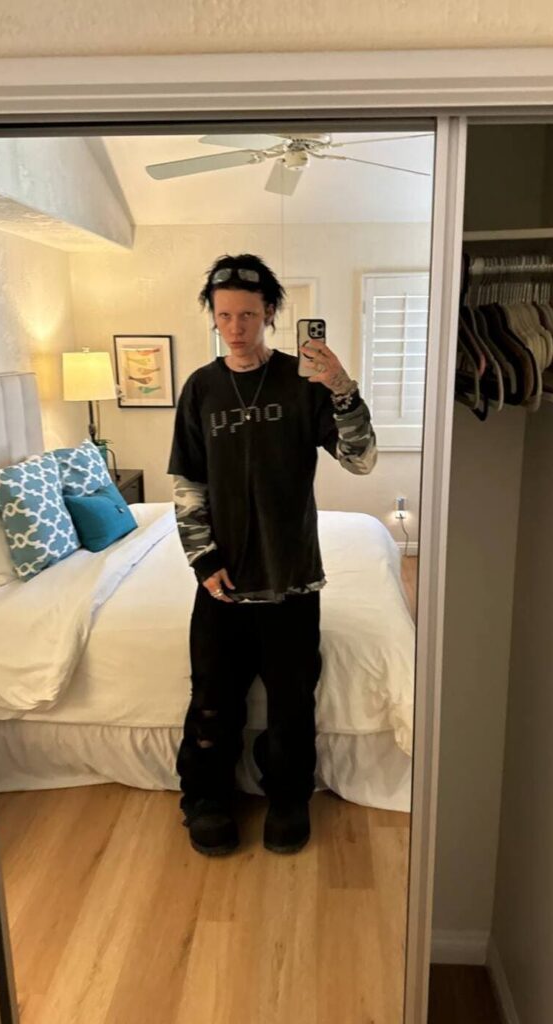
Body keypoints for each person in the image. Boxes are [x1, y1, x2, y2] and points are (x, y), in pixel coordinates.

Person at [167, 253, 377, 856]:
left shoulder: (301, 381)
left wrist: (342, 388)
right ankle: (206, 798)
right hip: (223, 582)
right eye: (224, 315)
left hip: (293, 579)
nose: (235, 328)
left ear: (270, 314)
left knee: (291, 704)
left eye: (248, 315)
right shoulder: (201, 388)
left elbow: (361, 460)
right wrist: (203, 561)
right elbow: (188, 483)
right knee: (212, 700)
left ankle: (288, 795)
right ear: (213, 316)